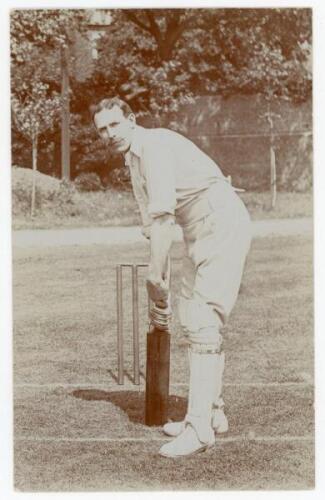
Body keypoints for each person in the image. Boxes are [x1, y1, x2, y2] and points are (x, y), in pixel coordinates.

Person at [92, 97, 252, 458]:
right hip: (197, 228)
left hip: (219, 221)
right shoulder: (133, 160)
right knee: (193, 318)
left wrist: (153, 275)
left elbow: (164, 219)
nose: (109, 134)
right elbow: (153, 227)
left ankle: (199, 431)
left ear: (132, 120)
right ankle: (211, 413)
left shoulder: (155, 146)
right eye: (102, 129)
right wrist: (158, 281)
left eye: (115, 124)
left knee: (203, 320)